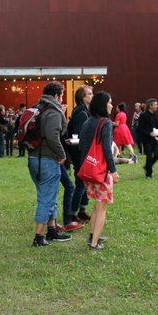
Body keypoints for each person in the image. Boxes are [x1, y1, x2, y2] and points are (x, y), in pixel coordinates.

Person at [29, 82, 71, 247]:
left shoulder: (38, 108)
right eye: (61, 96)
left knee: (47, 195)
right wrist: (62, 155)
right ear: (56, 96)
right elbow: (53, 136)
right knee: (46, 198)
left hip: (33, 159)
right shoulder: (53, 112)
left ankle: (52, 230)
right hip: (47, 159)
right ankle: (38, 237)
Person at [78, 91, 119, 250]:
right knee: (102, 207)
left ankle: (92, 235)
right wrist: (113, 171)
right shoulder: (106, 123)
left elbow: (82, 146)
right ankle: (94, 243)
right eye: (109, 102)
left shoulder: (87, 122)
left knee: (96, 204)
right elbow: (108, 151)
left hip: (88, 170)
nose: (111, 105)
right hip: (101, 172)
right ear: (103, 104)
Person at [66, 85, 93, 223]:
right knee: (81, 184)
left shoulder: (84, 111)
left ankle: (81, 210)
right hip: (80, 154)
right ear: (83, 97)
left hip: (82, 153)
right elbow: (78, 136)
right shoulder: (82, 113)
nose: (91, 96)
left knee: (85, 183)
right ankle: (73, 213)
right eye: (89, 94)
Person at [138, 98, 158, 179]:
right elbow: (140, 128)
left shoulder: (154, 115)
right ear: (150, 106)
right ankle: (149, 174)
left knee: (157, 155)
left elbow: (157, 126)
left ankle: (147, 167)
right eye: (155, 104)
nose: (157, 106)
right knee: (149, 156)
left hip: (155, 139)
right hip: (146, 139)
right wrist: (149, 133)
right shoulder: (143, 115)